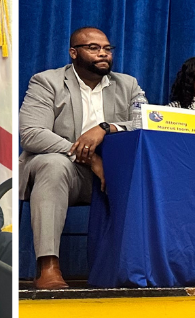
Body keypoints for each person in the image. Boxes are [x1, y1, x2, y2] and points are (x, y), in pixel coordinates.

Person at [19, 26, 144, 289]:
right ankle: (48, 266)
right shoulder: (47, 82)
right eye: (94, 48)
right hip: (67, 172)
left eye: (107, 49)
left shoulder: (128, 84)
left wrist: (106, 128)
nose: (103, 54)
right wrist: (88, 159)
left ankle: (137, 267)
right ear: (73, 53)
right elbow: (31, 133)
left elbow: (147, 124)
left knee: (148, 170)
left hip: (114, 172)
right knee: (52, 164)